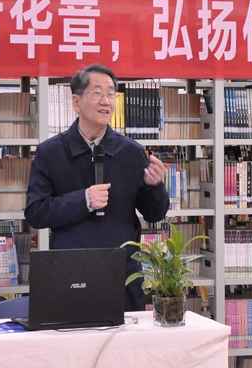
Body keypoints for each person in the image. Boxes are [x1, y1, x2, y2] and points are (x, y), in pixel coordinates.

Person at [25, 64, 169, 311]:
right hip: (69, 274)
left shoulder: (132, 152)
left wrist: (155, 187)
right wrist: (83, 200)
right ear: (76, 101)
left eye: (111, 94)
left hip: (122, 275)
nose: (106, 101)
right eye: (97, 93)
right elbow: (35, 212)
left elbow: (154, 214)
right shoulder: (50, 152)